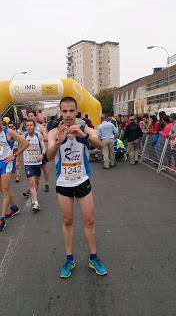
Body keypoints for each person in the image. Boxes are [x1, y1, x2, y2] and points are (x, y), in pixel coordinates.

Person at [47, 96, 107, 278]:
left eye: (71, 111)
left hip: (82, 181)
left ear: (76, 111)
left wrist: (84, 136)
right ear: (60, 112)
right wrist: (59, 141)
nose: (68, 115)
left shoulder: (85, 128)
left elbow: (100, 144)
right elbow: (49, 156)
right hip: (64, 183)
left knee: (89, 221)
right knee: (67, 221)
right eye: (64, 111)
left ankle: (93, 258)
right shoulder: (53, 132)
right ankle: (69, 259)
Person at [0, 118, 29, 232]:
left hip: (6, 163)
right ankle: (14, 207)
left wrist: (14, 156)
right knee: (2, 190)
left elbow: (25, 143)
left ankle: (2, 219)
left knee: (5, 189)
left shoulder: (9, 132)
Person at [24, 111, 50, 194]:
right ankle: (32, 189)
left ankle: (46, 183)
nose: (30, 117)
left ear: (36, 117)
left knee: (44, 169)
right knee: (32, 172)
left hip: (41, 151)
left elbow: (46, 138)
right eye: (29, 116)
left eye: (32, 116)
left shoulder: (41, 127)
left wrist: (39, 138)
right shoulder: (28, 126)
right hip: (31, 153)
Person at [23, 119, 46, 211]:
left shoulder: (38, 136)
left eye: (31, 125)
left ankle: (34, 196)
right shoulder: (23, 136)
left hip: (37, 162)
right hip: (28, 163)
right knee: (31, 182)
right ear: (26, 127)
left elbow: (44, 148)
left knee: (37, 182)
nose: (29, 127)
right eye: (27, 125)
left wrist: (42, 154)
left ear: (34, 126)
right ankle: (36, 203)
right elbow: (19, 147)